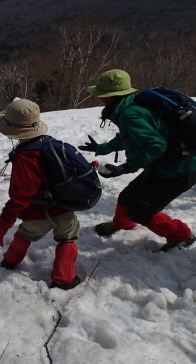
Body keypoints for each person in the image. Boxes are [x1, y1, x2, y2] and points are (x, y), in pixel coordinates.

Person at [79, 69, 196, 251]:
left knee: (140, 211)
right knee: (126, 198)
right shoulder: (129, 106)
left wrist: (125, 168)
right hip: (164, 165)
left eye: (101, 95)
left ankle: (182, 235)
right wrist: (101, 148)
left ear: (111, 97)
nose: (98, 99)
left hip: (178, 170)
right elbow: (128, 137)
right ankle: (122, 224)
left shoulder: (129, 114)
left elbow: (156, 145)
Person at [0, 98, 81, 290]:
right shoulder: (51, 145)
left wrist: (3, 226)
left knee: (24, 235)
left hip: (37, 212)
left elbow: (20, 197)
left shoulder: (25, 158)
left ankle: (9, 261)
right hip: (64, 207)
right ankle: (63, 279)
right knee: (67, 239)